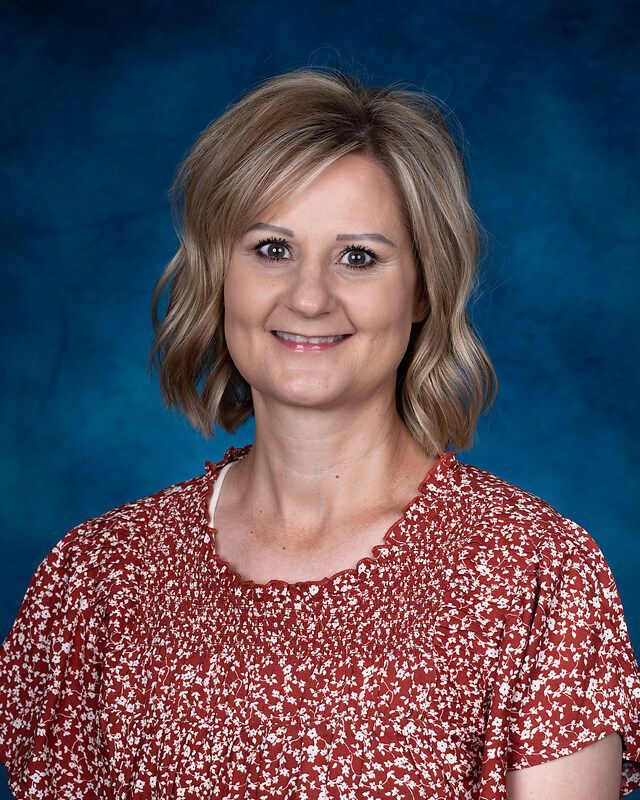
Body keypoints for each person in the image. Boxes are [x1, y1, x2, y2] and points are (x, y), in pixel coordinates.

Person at [1, 67, 639, 800]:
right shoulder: (93, 580)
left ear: (425, 288)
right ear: (219, 273)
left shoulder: (535, 573)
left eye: (358, 257)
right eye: (272, 249)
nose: (308, 298)